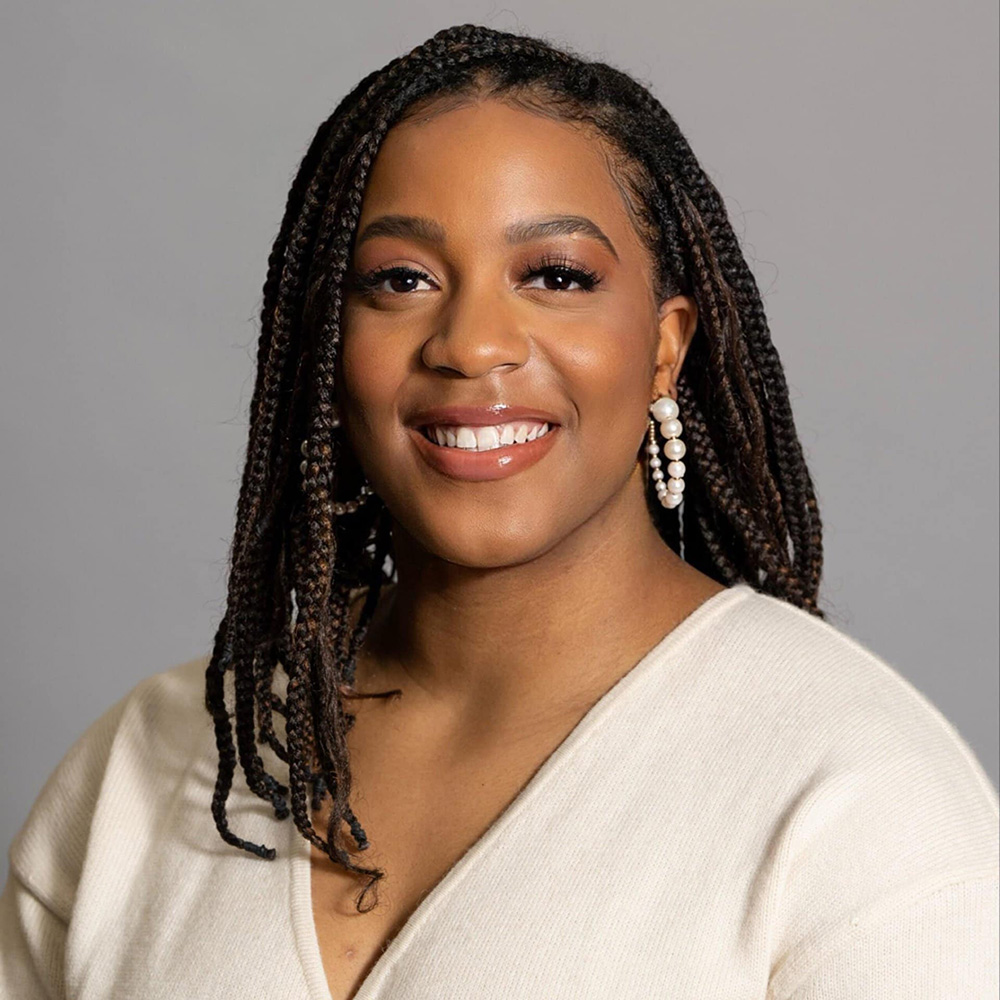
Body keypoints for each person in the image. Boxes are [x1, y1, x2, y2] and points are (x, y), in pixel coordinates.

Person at [2, 22, 996, 1000]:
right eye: (402, 280)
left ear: (664, 347)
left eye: (556, 276)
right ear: (329, 347)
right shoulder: (151, 763)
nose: (472, 344)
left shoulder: (854, 795)